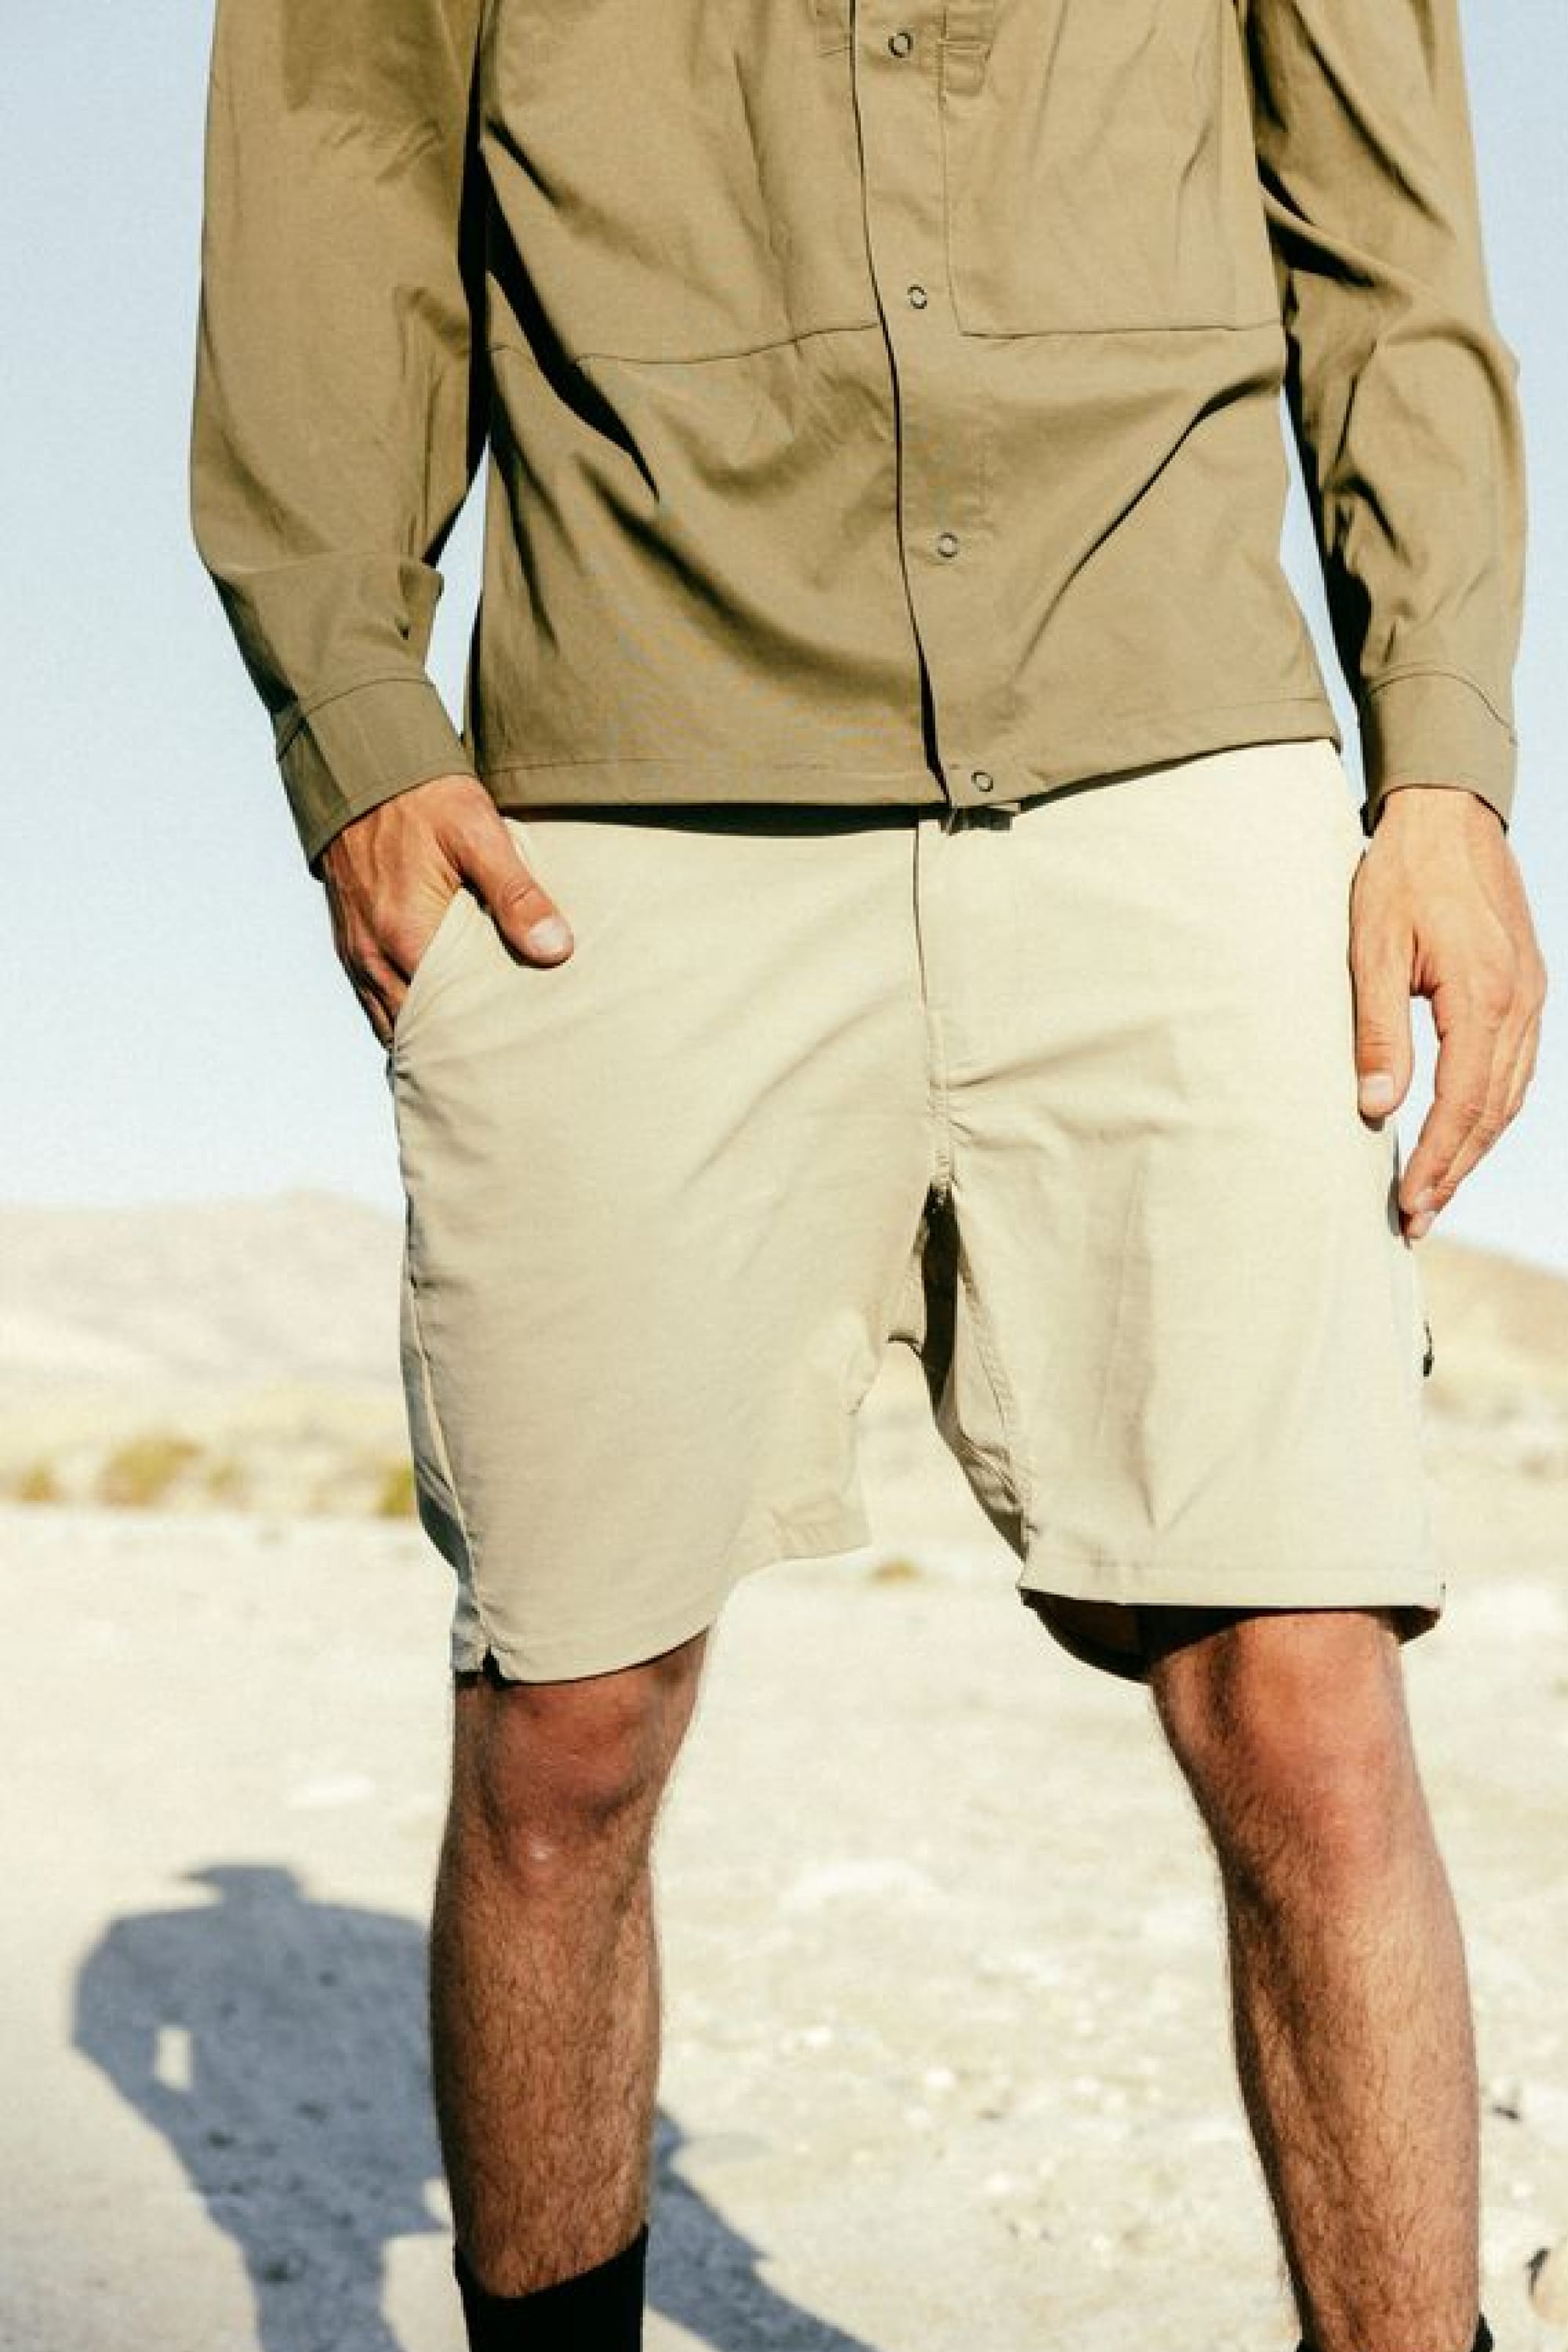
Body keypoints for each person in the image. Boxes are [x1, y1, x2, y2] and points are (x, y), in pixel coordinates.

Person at [188, 2, 1547, 2346]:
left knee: (1306, 1691)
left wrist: (1442, 762)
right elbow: (338, 191)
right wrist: (361, 733)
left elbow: (1391, 253)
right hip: (625, 816)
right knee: (567, 1728)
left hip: (1172, 772)